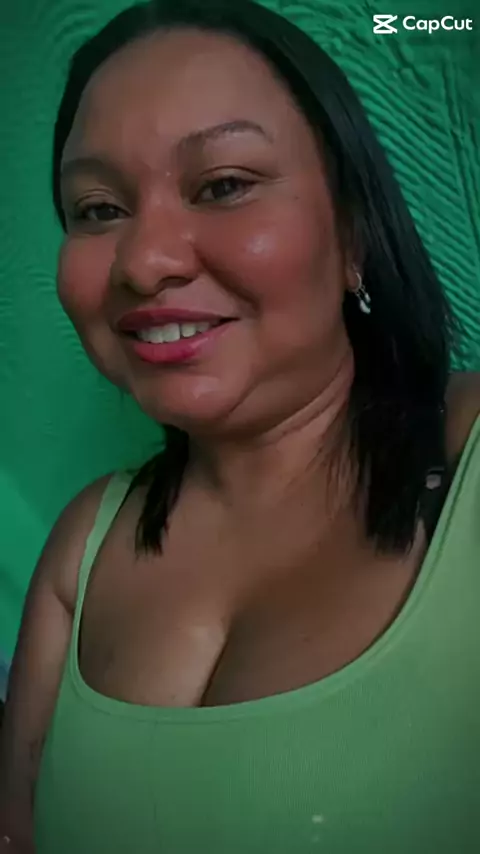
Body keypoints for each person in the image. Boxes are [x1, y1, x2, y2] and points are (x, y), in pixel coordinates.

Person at [0, 0, 479, 851]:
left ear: (355, 232)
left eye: (223, 186)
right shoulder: (83, 546)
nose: (145, 261)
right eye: (98, 209)